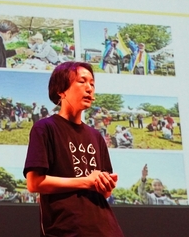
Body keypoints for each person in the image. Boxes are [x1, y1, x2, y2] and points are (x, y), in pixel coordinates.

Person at [24, 62, 124, 236]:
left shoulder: (95, 136)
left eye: (92, 84)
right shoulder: (45, 128)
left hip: (106, 229)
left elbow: (106, 193)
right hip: (67, 229)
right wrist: (86, 181)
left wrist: (106, 183)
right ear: (61, 90)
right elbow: (34, 183)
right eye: (82, 81)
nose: (89, 88)